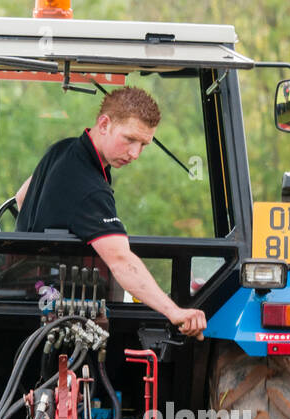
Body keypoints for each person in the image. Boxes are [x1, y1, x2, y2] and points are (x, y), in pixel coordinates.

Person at [14, 87, 207, 338]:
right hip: (53, 311)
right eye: (129, 139)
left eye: (143, 145)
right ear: (104, 124)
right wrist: (174, 312)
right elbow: (121, 261)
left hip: (25, 295)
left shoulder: (62, 150)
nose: (135, 154)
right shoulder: (90, 188)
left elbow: (21, 197)